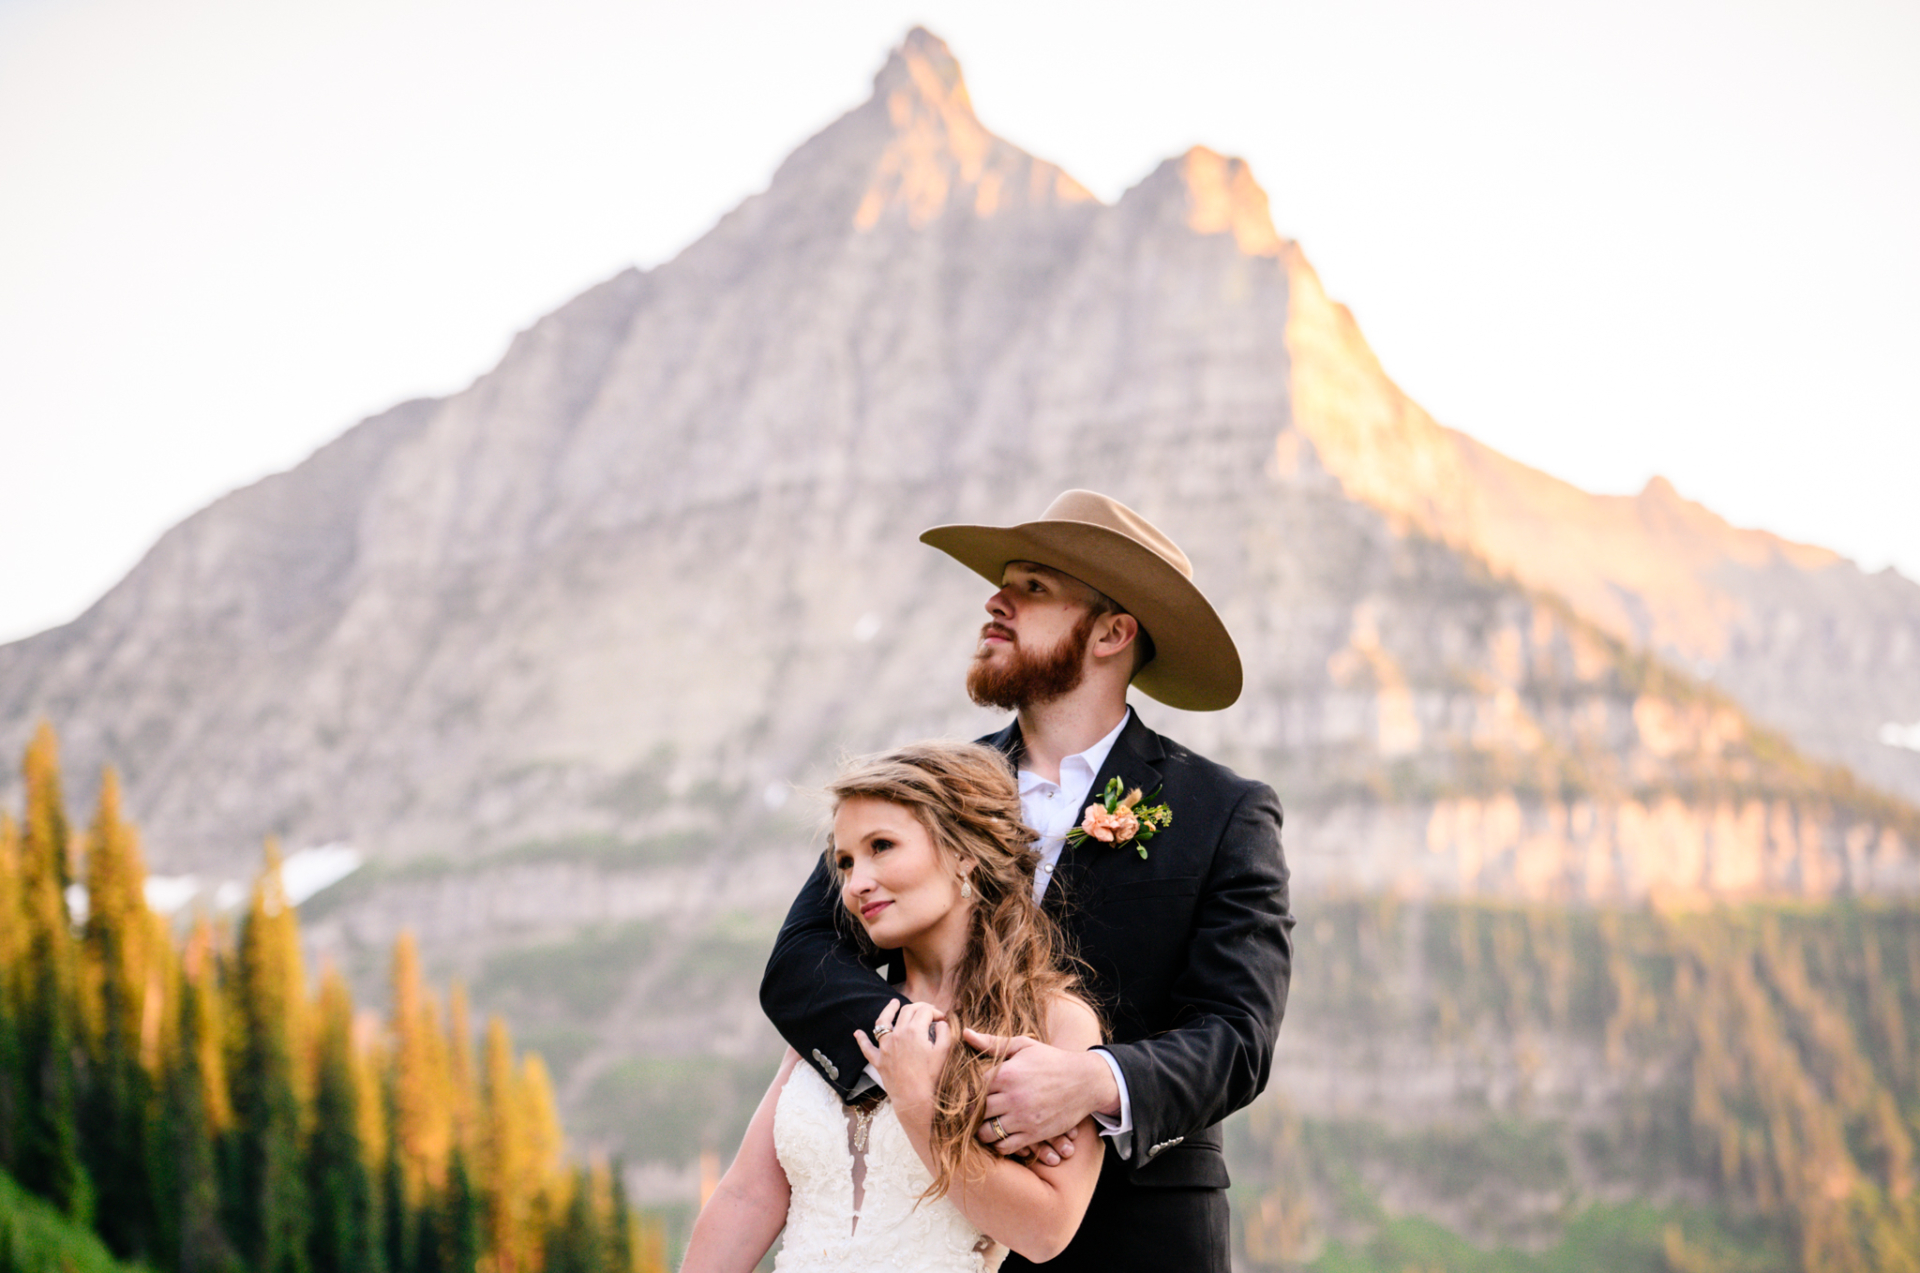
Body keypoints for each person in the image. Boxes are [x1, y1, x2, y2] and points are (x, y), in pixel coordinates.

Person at [760, 490, 1293, 1272]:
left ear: (1113, 631)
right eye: (1004, 582)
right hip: (942, 1225)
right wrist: (936, 1064)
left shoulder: (1224, 812)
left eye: (1034, 587)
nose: (995, 600)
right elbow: (801, 959)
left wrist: (1089, 1080)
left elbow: (1237, 1034)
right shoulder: (926, 790)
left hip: (1137, 1240)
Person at [684, 741, 1106, 1272]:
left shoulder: (1055, 1022)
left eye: (881, 846)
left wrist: (918, 1104)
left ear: (963, 853)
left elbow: (1045, 1232)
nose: (856, 884)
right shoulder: (837, 1010)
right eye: (845, 862)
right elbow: (747, 1195)